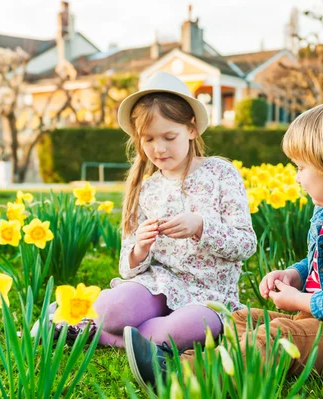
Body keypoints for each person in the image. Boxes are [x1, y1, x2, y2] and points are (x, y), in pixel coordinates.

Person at [125, 94, 323, 385]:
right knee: (239, 319)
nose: (298, 179)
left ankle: (182, 376)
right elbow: (322, 266)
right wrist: (294, 275)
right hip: (322, 325)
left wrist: (298, 300)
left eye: (301, 168)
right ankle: (186, 361)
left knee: (277, 337)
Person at [95, 72, 256, 386]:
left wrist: (201, 227)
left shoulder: (221, 173)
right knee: (109, 308)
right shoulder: (146, 189)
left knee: (174, 331)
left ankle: (97, 333)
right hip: (160, 283)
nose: (159, 149)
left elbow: (246, 244)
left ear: (192, 129)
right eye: (149, 139)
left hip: (210, 294)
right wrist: (140, 248)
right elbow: (128, 267)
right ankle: (106, 325)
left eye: (169, 137)